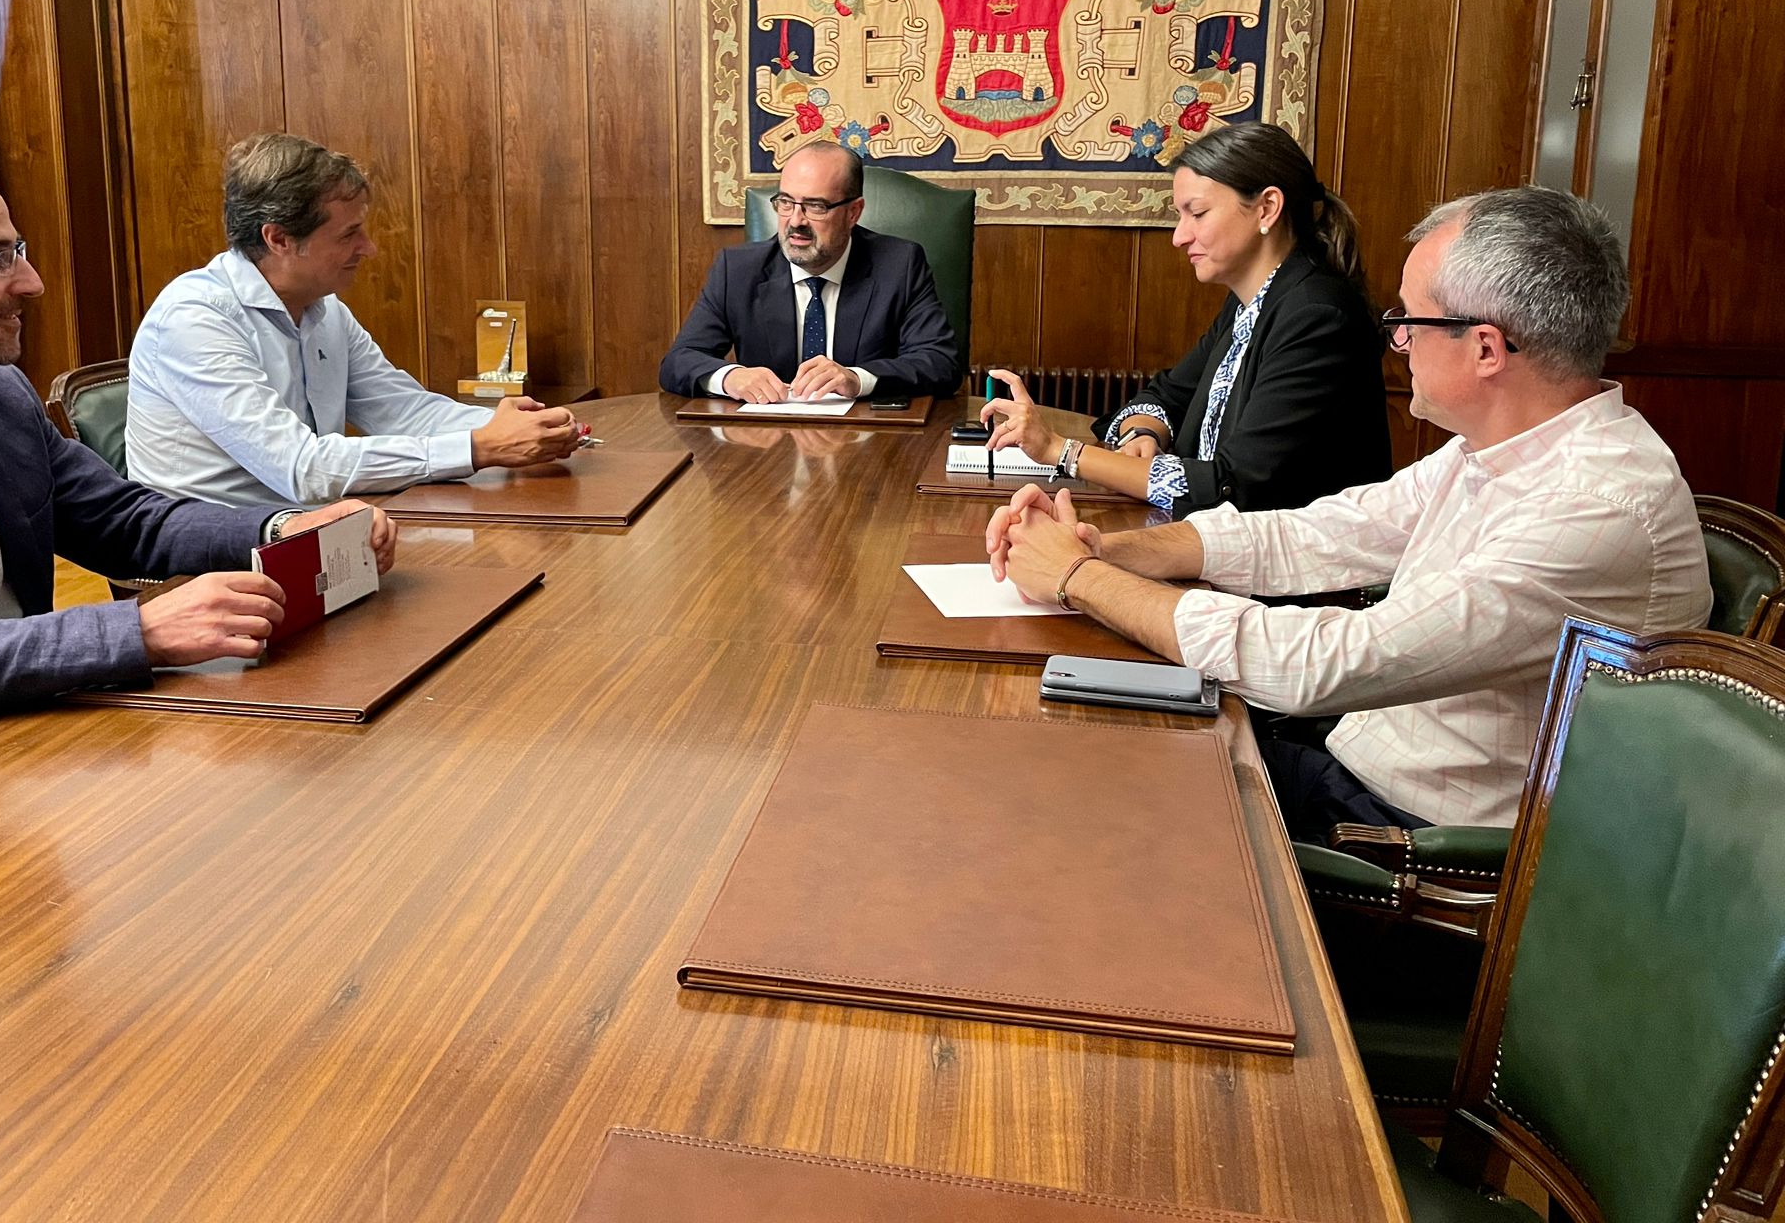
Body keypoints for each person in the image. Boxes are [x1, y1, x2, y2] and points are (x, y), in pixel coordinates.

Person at [987, 186, 1708, 836]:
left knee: (1074, 801)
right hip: (1357, 766)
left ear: (1486, 348)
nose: (1396, 341)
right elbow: (1323, 532)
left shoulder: (1595, 507)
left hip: (1417, 844)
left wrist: (1079, 577)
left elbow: (1328, 665)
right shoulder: (1500, 445)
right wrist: (1114, 552)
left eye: (1410, 319)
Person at [0, 152, 396, 780]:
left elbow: (125, 522)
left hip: (11, 754)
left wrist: (283, 528)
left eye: (16, 252)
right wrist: (132, 631)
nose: (30, 281)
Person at [126, 133, 582, 507]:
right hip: (209, 565)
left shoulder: (325, 311)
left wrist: (513, 429)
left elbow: (403, 411)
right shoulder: (195, 319)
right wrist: (480, 447)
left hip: (315, 528)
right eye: (349, 234)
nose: (369, 249)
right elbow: (303, 469)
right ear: (280, 238)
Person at [982, 123, 1389, 514]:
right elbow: (1166, 394)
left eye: (1197, 213)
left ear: (1267, 208)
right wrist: (1144, 432)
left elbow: (1235, 485)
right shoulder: (1250, 302)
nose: (1179, 236)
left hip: (1296, 576)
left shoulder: (1317, 317)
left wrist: (1059, 450)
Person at [658, 143, 960, 403]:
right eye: (786, 203)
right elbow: (678, 362)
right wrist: (730, 377)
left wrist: (857, 379)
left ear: (853, 212)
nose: (796, 221)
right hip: (765, 448)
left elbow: (940, 363)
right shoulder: (737, 270)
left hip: (869, 442)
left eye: (815, 206)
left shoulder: (899, 265)